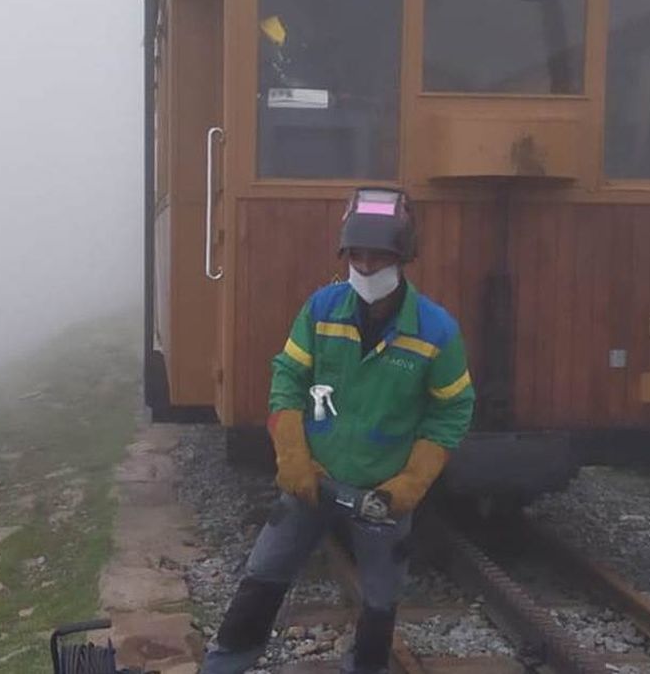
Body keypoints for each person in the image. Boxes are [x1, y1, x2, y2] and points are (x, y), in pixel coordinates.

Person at [201, 188, 475, 674]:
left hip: (382, 495)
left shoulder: (437, 332)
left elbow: (452, 411)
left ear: (404, 257)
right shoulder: (322, 310)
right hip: (314, 480)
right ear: (344, 254)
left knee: (380, 601)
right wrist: (293, 457)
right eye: (357, 254)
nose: (366, 266)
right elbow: (288, 379)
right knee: (262, 577)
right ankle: (225, 665)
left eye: (379, 255)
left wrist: (411, 483)